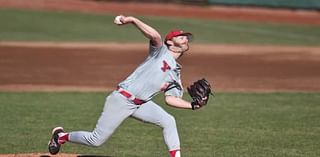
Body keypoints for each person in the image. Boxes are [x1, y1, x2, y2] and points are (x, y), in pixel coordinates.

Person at [48, 15, 203, 157]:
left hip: (141, 104)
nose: (185, 39)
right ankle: (61, 136)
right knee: (96, 140)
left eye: (186, 38)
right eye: (180, 37)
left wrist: (193, 105)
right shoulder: (160, 52)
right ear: (170, 42)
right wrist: (133, 20)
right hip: (122, 99)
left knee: (169, 121)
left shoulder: (176, 73)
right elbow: (155, 36)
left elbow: (170, 99)